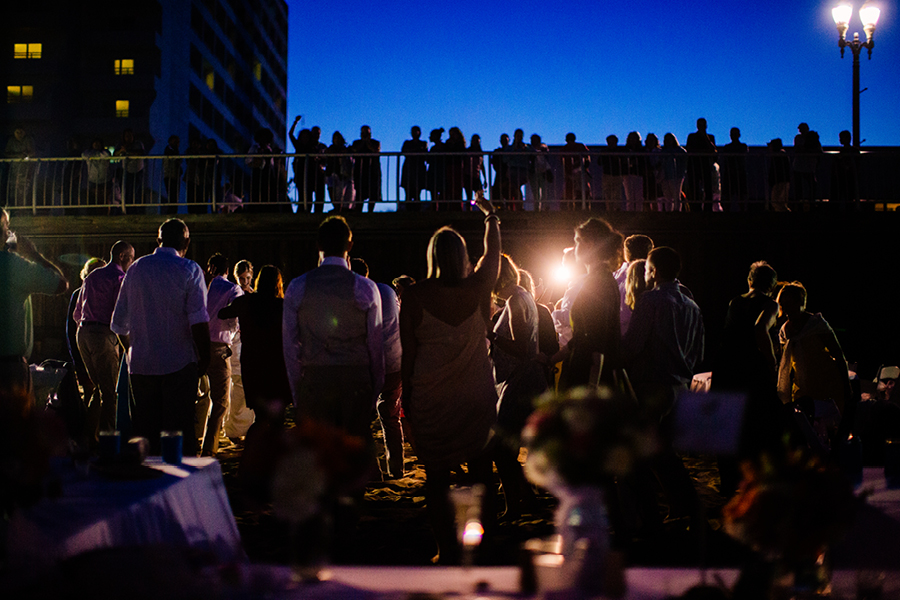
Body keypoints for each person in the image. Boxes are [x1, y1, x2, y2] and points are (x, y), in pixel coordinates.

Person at [400, 192, 499, 563]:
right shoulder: (478, 288)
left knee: (437, 477)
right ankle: (483, 544)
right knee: (482, 474)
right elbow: (491, 255)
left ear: (432, 257)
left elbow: (409, 354)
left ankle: (445, 547)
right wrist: (491, 218)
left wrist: (406, 398)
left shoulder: (414, 295)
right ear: (462, 257)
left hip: (432, 397)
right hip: (475, 395)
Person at [111, 219, 210, 456]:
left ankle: (146, 486)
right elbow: (198, 320)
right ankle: (180, 489)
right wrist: (205, 358)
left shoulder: (135, 269)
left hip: (142, 366)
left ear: (158, 240)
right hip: (179, 365)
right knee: (178, 436)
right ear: (187, 241)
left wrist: (132, 351)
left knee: (145, 435)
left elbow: (118, 324)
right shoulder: (190, 269)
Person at [283, 215, 384, 440]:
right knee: (353, 460)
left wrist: (298, 395)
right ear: (350, 245)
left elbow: (290, 347)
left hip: (315, 382)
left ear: (319, 245)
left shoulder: (297, 287)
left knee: (320, 460)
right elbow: (376, 347)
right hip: (356, 382)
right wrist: (373, 393)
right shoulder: (366, 288)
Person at [713, 261, 785, 495]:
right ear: (772, 286)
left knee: (728, 426)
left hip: (727, 368)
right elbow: (759, 328)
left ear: (750, 280)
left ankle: (728, 483)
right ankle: (754, 484)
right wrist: (772, 362)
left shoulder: (735, 301)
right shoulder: (771, 304)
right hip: (751, 371)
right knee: (755, 426)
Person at [489, 253, 547, 516]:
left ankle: (520, 504)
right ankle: (519, 504)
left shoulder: (514, 300)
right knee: (505, 450)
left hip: (521, 382)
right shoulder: (523, 296)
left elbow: (521, 348)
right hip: (523, 380)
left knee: (501, 448)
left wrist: (490, 335)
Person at [1, 208, 69, 413]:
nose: (8, 234)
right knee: (16, 433)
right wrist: (33, 254)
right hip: (9, 369)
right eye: (5, 228)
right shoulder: (13, 266)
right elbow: (60, 284)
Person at [74, 241, 135, 442]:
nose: (132, 262)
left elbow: (77, 314)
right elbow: (120, 317)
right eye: (131, 258)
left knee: (100, 389)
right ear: (122, 256)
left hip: (83, 334)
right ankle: (108, 441)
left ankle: (87, 436)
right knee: (110, 394)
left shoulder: (92, 276)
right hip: (102, 335)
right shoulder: (119, 278)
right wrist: (128, 345)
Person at [350, 258, 404, 480]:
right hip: (395, 361)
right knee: (390, 417)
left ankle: (374, 472)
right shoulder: (387, 291)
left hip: (371, 365)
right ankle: (397, 468)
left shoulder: (357, 295)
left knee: (362, 419)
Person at [555, 218, 623, 391]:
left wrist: (592, 386)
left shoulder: (598, 282)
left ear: (590, 244)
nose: (575, 248)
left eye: (577, 242)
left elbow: (595, 340)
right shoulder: (602, 279)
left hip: (587, 376)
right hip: (587, 370)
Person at [218, 265, 290, 423]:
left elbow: (222, 313)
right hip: (276, 363)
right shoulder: (283, 306)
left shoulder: (245, 302)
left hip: (253, 362)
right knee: (277, 416)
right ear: (278, 284)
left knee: (260, 416)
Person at [776, 282, 851, 428]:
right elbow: (785, 364)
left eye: (789, 304)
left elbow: (838, 354)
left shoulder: (816, 324)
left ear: (800, 302)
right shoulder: (785, 330)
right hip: (802, 390)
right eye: (783, 305)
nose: (786, 309)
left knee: (827, 429)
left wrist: (846, 386)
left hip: (826, 386)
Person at [197, 253, 243, 456]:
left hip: (195, 346)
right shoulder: (232, 288)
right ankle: (209, 447)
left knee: (197, 396)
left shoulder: (198, 287)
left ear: (210, 269)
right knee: (221, 401)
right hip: (218, 348)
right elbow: (239, 310)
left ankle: (194, 438)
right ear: (227, 270)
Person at [222, 260, 255, 442]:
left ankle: (246, 427)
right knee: (236, 387)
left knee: (245, 388)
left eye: (247, 278)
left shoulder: (253, 296)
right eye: (241, 279)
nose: (244, 282)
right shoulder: (234, 294)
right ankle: (233, 428)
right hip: (236, 344)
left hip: (249, 344)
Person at [613, 234, 654, 336]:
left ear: (626, 253)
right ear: (650, 252)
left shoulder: (614, 278)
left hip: (620, 336)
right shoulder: (659, 279)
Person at [351, 126, 382, 213]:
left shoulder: (375, 142)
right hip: (360, 171)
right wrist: (363, 143)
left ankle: (370, 211)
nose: (365, 135)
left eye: (367, 133)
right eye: (363, 133)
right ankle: (358, 211)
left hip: (373, 170)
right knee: (360, 193)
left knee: (373, 192)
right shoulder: (356, 142)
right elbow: (355, 150)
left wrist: (367, 142)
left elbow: (376, 150)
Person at [114, 129, 145, 209]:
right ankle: (126, 209)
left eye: (130, 136)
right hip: (125, 171)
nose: (129, 138)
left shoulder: (138, 144)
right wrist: (121, 150)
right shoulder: (121, 144)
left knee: (135, 191)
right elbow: (115, 155)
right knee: (125, 191)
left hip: (137, 170)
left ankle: (135, 209)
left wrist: (127, 151)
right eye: (127, 136)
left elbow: (141, 153)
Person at [720, 127, 749, 212]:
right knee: (729, 194)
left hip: (738, 173)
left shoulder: (742, 146)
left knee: (740, 194)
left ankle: (742, 211)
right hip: (731, 173)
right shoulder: (729, 147)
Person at [561, 132, 592, 210]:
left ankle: (584, 206)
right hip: (570, 173)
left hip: (580, 172)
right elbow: (562, 161)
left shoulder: (579, 147)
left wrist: (583, 168)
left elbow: (586, 159)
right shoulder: (565, 148)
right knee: (570, 190)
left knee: (583, 189)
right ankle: (571, 207)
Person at [325, 131, 354, 211]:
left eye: (338, 138)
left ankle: (341, 207)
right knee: (332, 191)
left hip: (342, 174)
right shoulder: (330, 149)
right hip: (331, 173)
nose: (337, 140)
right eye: (335, 139)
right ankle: (336, 207)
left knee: (341, 192)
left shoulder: (345, 149)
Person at [82, 138, 113, 212]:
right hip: (93, 180)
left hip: (105, 179)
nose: (96, 145)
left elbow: (106, 155)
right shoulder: (87, 152)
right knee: (92, 200)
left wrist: (94, 156)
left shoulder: (106, 152)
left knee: (105, 200)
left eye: (98, 143)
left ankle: (106, 215)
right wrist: (97, 155)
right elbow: (83, 155)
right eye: (95, 143)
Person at [400, 126, 428, 208]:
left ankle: (417, 210)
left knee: (417, 192)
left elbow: (424, 154)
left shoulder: (423, 143)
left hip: (419, 169)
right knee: (408, 192)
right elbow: (404, 151)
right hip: (409, 168)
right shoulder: (407, 143)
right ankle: (408, 209)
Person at [830, 130, 859, 209]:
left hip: (847, 176)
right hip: (843, 176)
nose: (840, 140)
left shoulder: (849, 151)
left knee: (847, 195)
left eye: (841, 138)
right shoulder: (848, 150)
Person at [659, 133, 687, 212]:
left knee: (676, 195)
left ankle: (677, 210)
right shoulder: (663, 151)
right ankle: (668, 210)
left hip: (676, 175)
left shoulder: (679, 150)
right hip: (665, 176)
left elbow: (685, 158)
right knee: (667, 195)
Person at [528, 134, 552, 211]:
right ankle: (537, 207)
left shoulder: (543, 148)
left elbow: (545, 150)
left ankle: (545, 207)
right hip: (534, 172)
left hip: (543, 172)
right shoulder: (529, 149)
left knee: (544, 191)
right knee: (536, 192)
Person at [622, 132, 645, 212]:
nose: (633, 140)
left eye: (634, 138)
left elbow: (643, 161)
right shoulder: (625, 150)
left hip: (638, 174)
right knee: (629, 196)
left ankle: (639, 212)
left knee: (638, 195)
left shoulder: (641, 150)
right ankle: (630, 212)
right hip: (627, 174)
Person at [600, 135, 624, 211]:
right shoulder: (604, 151)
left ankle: (617, 209)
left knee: (617, 193)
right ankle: (609, 209)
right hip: (607, 174)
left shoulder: (620, 151)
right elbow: (599, 162)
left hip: (617, 174)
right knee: (608, 193)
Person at [767, 138, 791, 212]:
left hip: (780, 182)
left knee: (778, 202)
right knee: (777, 202)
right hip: (779, 181)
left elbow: (777, 170)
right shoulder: (780, 154)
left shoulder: (779, 155)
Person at [426, 128, 446, 208]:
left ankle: (438, 208)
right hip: (435, 172)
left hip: (438, 172)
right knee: (436, 192)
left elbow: (428, 160)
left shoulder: (438, 148)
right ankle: (436, 208)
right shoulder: (435, 148)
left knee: (438, 192)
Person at [162, 135, 182, 215]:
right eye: (175, 142)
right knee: (172, 196)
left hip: (175, 176)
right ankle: (171, 212)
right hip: (170, 176)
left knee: (174, 196)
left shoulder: (174, 150)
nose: (177, 144)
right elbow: (175, 159)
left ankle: (173, 211)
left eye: (177, 142)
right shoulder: (169, 149)